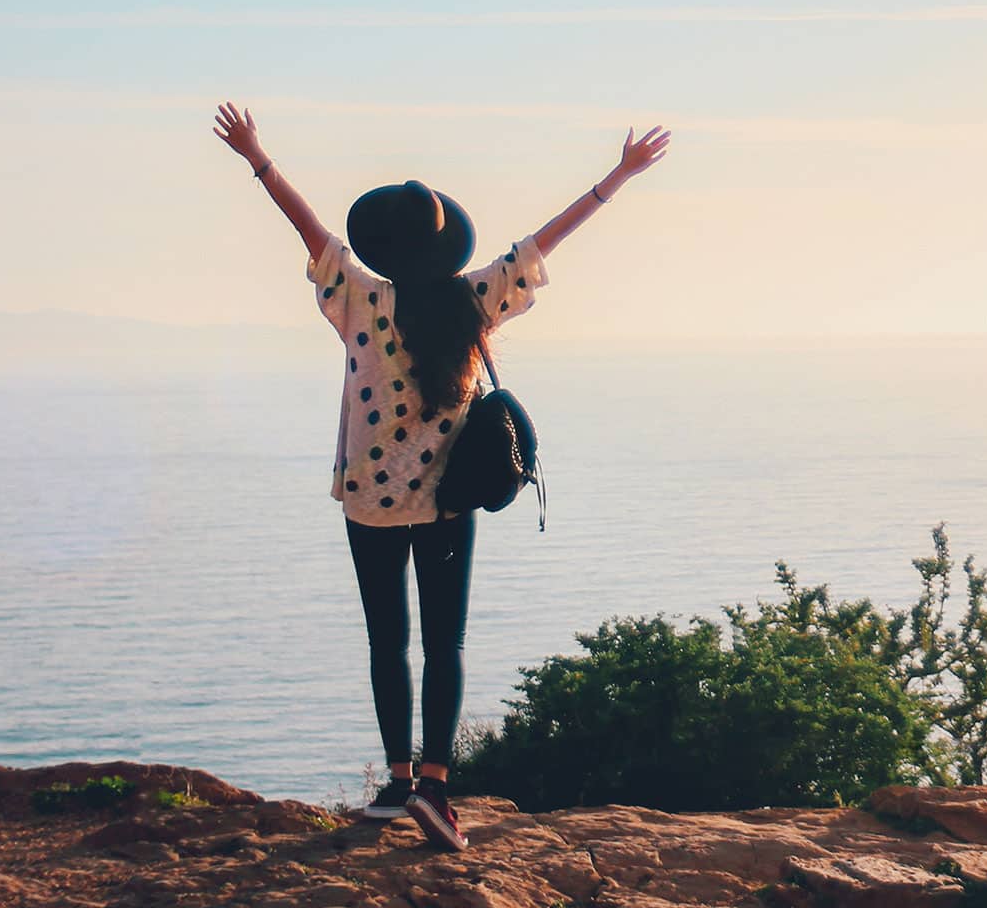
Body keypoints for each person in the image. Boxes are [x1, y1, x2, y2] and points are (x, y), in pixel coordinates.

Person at [213, 103, 671, 850]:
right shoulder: (473, 301)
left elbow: (308, 229)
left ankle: (397, 784)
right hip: (447, 503)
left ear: (384, 248)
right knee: (444, 644)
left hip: (367, 501)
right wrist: (617, 176)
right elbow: (543, 241)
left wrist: (256, 155)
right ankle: (434, 786)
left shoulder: (359, 298)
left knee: (386, 642)